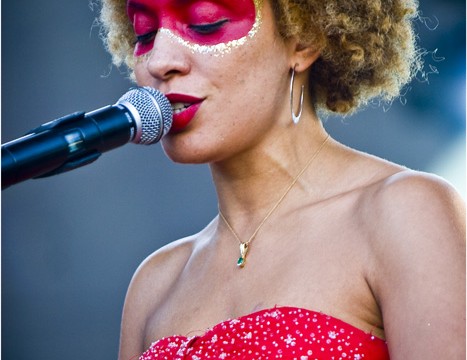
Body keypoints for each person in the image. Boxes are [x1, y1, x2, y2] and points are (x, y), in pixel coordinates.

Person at [99, 0, 466, 358]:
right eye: (145, 33)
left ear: (303, 39)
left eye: (204, 22)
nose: (159, 62)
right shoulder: (154, 284)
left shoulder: (405, 213)